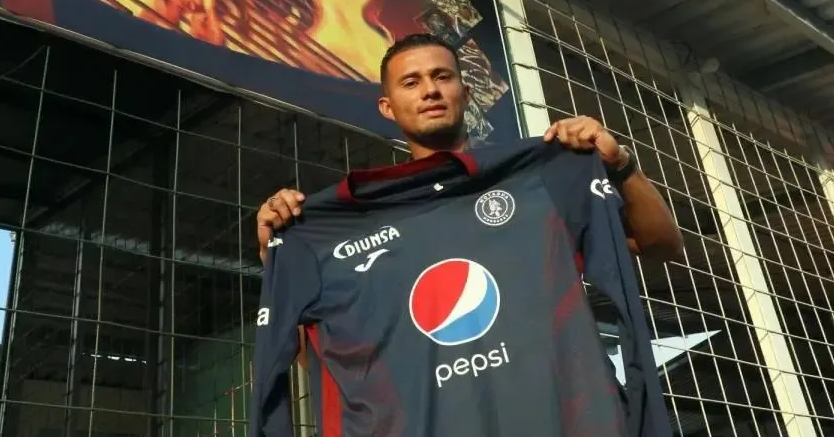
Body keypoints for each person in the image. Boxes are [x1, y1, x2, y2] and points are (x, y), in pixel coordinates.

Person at [257, 32, 684, 264]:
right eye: (411, 82)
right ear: (387, 107)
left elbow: (661, 246)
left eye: (442, 77)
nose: (430, 91)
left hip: (557, 411)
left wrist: (622, 166)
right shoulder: (367, 220)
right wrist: (277, 251)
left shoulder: (538, 180)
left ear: (465, 91)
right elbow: (314, 349)